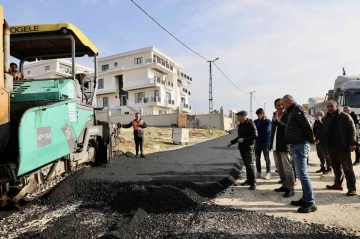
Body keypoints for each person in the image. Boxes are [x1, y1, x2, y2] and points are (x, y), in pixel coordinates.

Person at [282, 94, 317, 213]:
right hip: (295, 145)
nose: (282, 106)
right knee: (300, 173)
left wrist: (311, 139)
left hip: (300, 145)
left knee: (302, 174)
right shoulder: (292, 111)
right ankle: (305, 198)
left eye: (283, 103)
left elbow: (307, 125)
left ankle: (311, 202)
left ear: (287, 101)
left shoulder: (297, 109)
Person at [322, 101, 357, 196]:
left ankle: (352, 189)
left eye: (331, 106)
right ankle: (338, 184)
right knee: (336, 167)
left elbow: (352, 130)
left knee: (347, 168)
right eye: (328, 106)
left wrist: (353, 143)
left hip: (343, 147)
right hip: (331, 147)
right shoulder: (326, 118)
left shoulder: (345, 116)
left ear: (337, 106)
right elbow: (324, 131)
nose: (329, 108)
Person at [227, 110, 258, 190]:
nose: (237, 117)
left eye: (239, 116)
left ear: (243, 116)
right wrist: (231, 142)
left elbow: (255, 135)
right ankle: (248, 180)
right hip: (242, 147)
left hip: (248, 147)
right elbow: (239, 137)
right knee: (247, 165)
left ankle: (253, 182)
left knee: (250, 165)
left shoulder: (250, 123)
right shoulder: (241, 125)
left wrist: (244, 139)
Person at [270, 98, 295, 197]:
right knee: (279, 168)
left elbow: (288, 127)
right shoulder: (275, 116)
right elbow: (273, 131)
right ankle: (285, 186)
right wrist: (271, 144)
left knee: (287, 168)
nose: (280, 107)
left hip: (285, 145)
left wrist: (276, 122)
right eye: (278, 105)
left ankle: (291, 189)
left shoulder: (288, 114)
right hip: (276, 145)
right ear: (275, 107)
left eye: (281, 105)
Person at [254, 108, 272, 179]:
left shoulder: (268, 121)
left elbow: (267, 130)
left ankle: (268, 172)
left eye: (260, 114)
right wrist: (258, 122)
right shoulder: (255, 121)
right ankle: (258, 172)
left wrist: (259, 127)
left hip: (266, 141)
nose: (259, 116)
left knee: (266, 157)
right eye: (258, 115)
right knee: (257, 158)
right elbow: (254, 130)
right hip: (257, 142)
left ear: (263, 114)